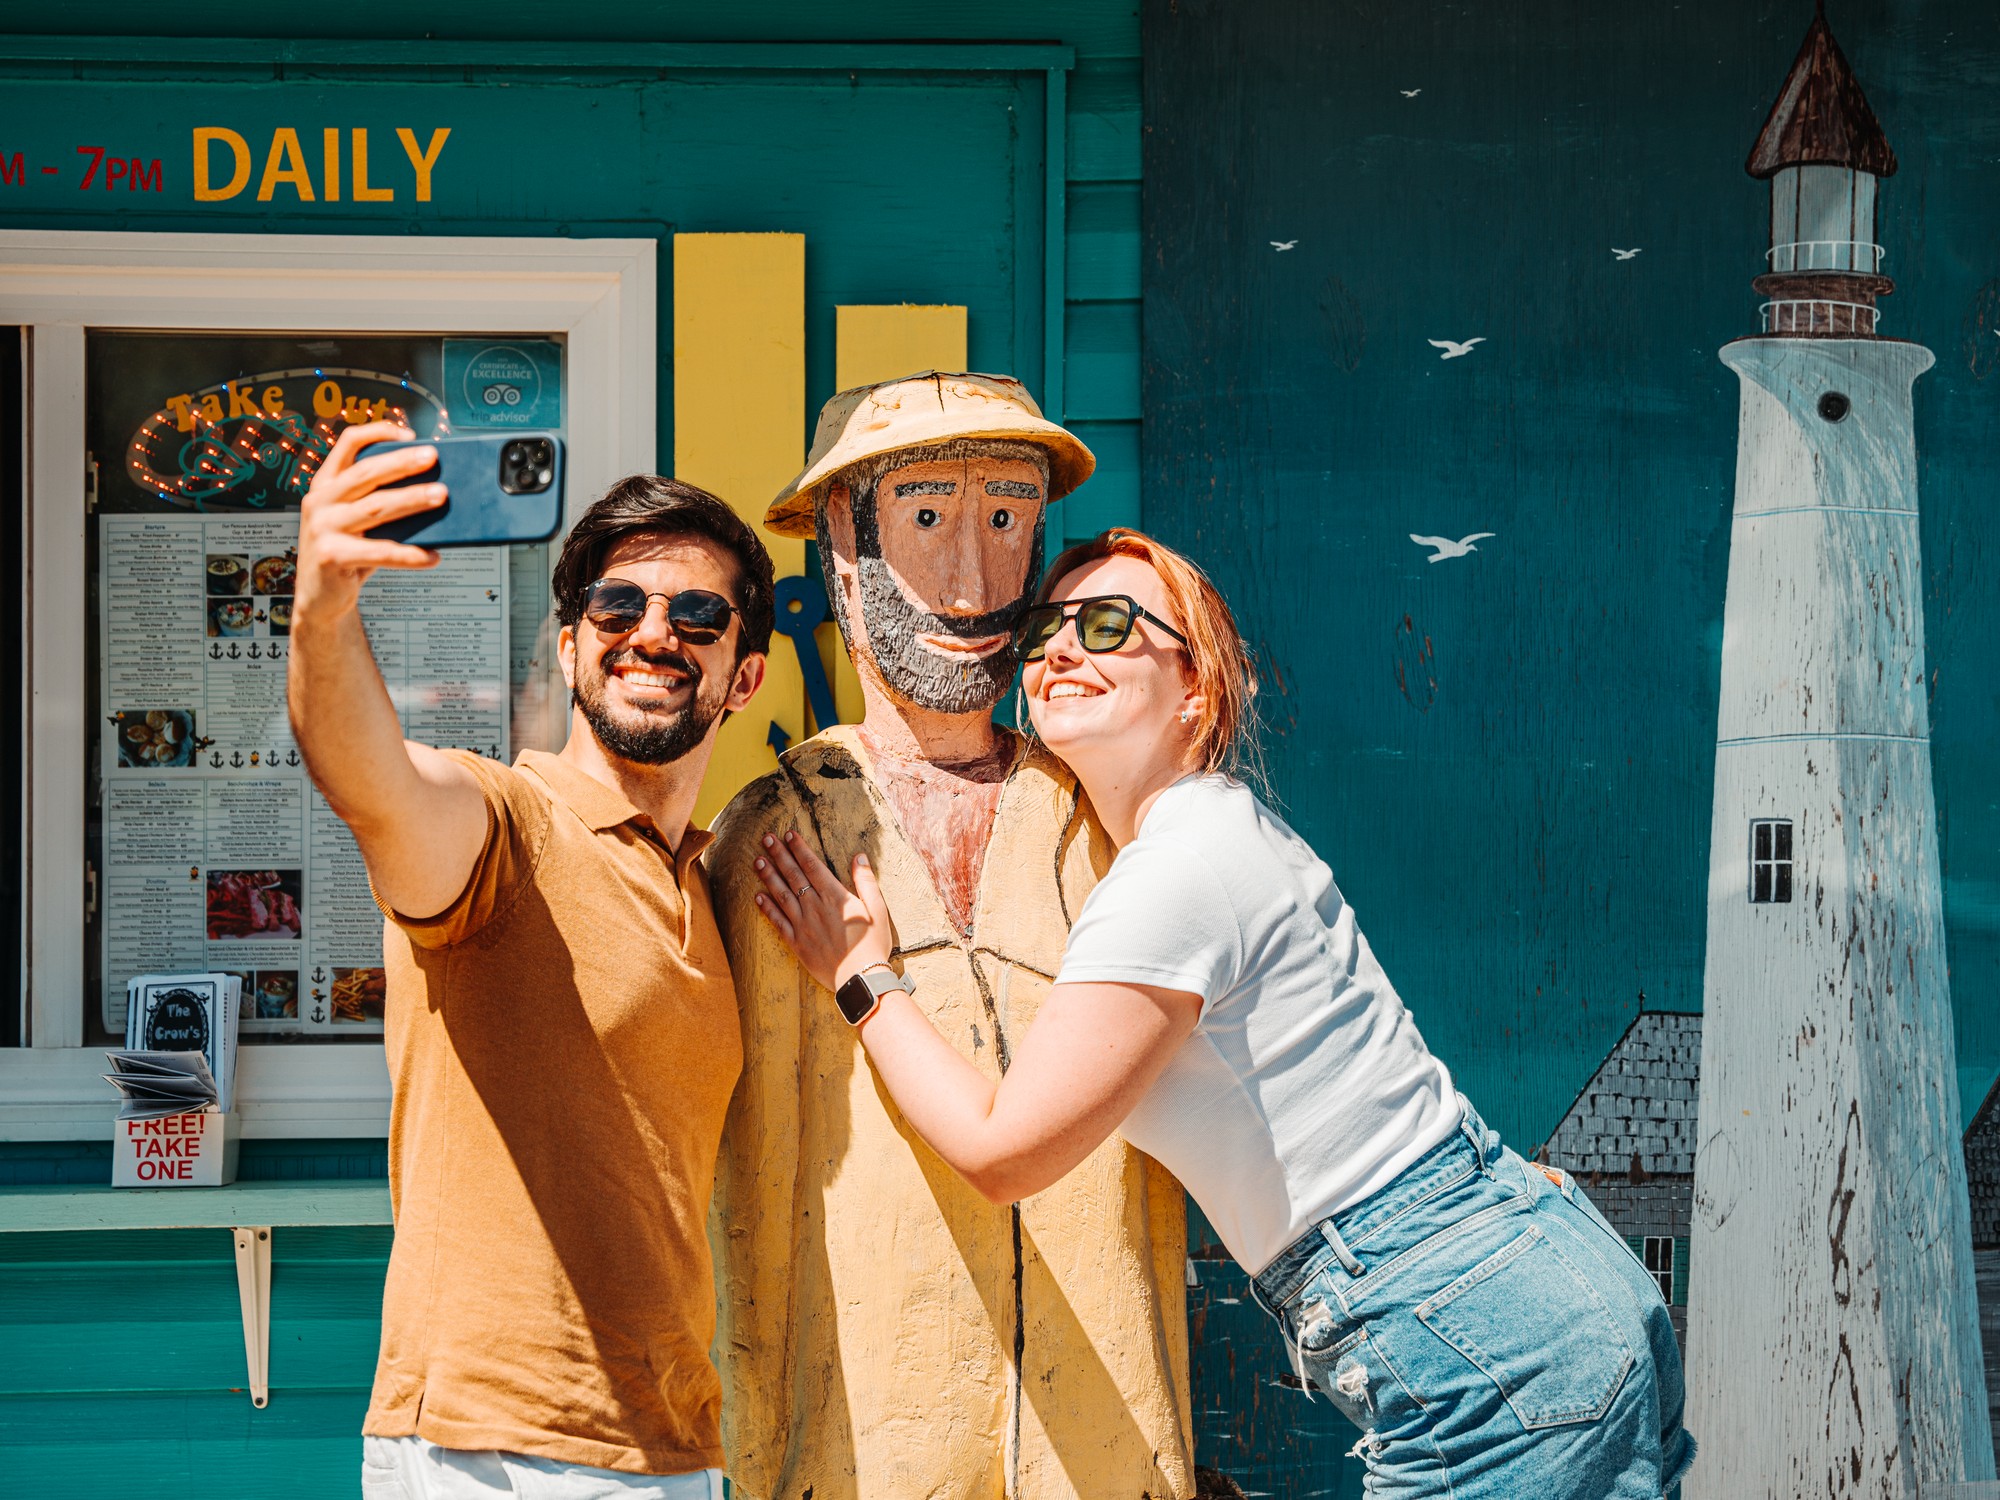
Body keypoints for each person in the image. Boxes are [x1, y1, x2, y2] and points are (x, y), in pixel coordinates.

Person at [744, 527, 1697, 1499]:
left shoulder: (1178, 869)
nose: (1061, 649)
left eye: (1108, 625)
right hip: (1525, 1288)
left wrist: (862, 973)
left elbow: (1003, 1153)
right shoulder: (1213, 831)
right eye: (1043, 631)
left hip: (1473, 1325)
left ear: (1195, 687)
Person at [707, 375, 1197, 1499]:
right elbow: (736, 1181)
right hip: (862, 1450)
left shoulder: (1106, 823)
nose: (971, 580)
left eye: (1005, 520)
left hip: (1104, 1442)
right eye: (925, 520)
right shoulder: (777, 838)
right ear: (843, 545)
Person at [287, 422, 772, 1500]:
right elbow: (370, 778)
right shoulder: (504, 824)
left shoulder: (708, 876)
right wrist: (322, 605)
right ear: (568, 645)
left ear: (742, 677)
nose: (653, 633)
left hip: (666, 1442)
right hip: (491, 1449)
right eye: (617, 606)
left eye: (697, 614)